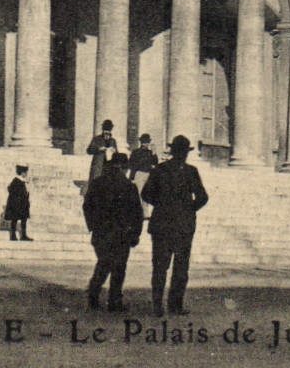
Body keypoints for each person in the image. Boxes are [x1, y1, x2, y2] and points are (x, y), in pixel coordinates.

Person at [142, 135, 209, 317]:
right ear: (186, 153)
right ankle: (175, 306)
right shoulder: (191, 171)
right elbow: (203, 197)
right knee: (180, 268)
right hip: (182, 227)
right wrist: (189, 209)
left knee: (160, 267)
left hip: (162, 225)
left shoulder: (160, 169)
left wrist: (161, 205)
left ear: (172, 151)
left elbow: (146, 194)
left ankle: (158, 306)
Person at [83, 152, 144, 312]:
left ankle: (94, 295)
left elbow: (87, 206)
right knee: (119, 268)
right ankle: (114, 301)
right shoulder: (129, 186)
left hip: (102, 233)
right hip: (122, 234)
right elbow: (137, 214)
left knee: (103, 263)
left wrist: (93, 226)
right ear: (125, 168)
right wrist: (135, 234)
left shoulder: (97, 183)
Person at [4, 165, 33, 241]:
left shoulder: (22, 181)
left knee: (23, 219)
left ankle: (23, 235)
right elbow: (11, 190)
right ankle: (13, 235)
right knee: (15, 219)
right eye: (25, 172)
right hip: (17, 204)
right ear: (22, 173)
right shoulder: (16, 181)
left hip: (22, 204)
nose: (26, 174)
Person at [86, 119, 117, 188]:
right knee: (96, 184)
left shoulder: (113, 141)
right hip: (98, 166)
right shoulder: (97, 139)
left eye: (109, 130)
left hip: (109, 167)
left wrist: (114, 151)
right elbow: (89, 150)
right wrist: (98, 149)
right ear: (103, 130)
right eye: (106, 130)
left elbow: (117, 155)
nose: (107, 134)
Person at [127, 133, 158, 200]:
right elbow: (132, 165)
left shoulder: (150, 152)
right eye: (145, 142)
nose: (146, 144)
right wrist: (132, 177)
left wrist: (154, 153)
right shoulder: (137, 152)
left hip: (146, 174)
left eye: (147, 142)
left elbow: (155, 163)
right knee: (140, 194)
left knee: (144, 195)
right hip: (140, 174)